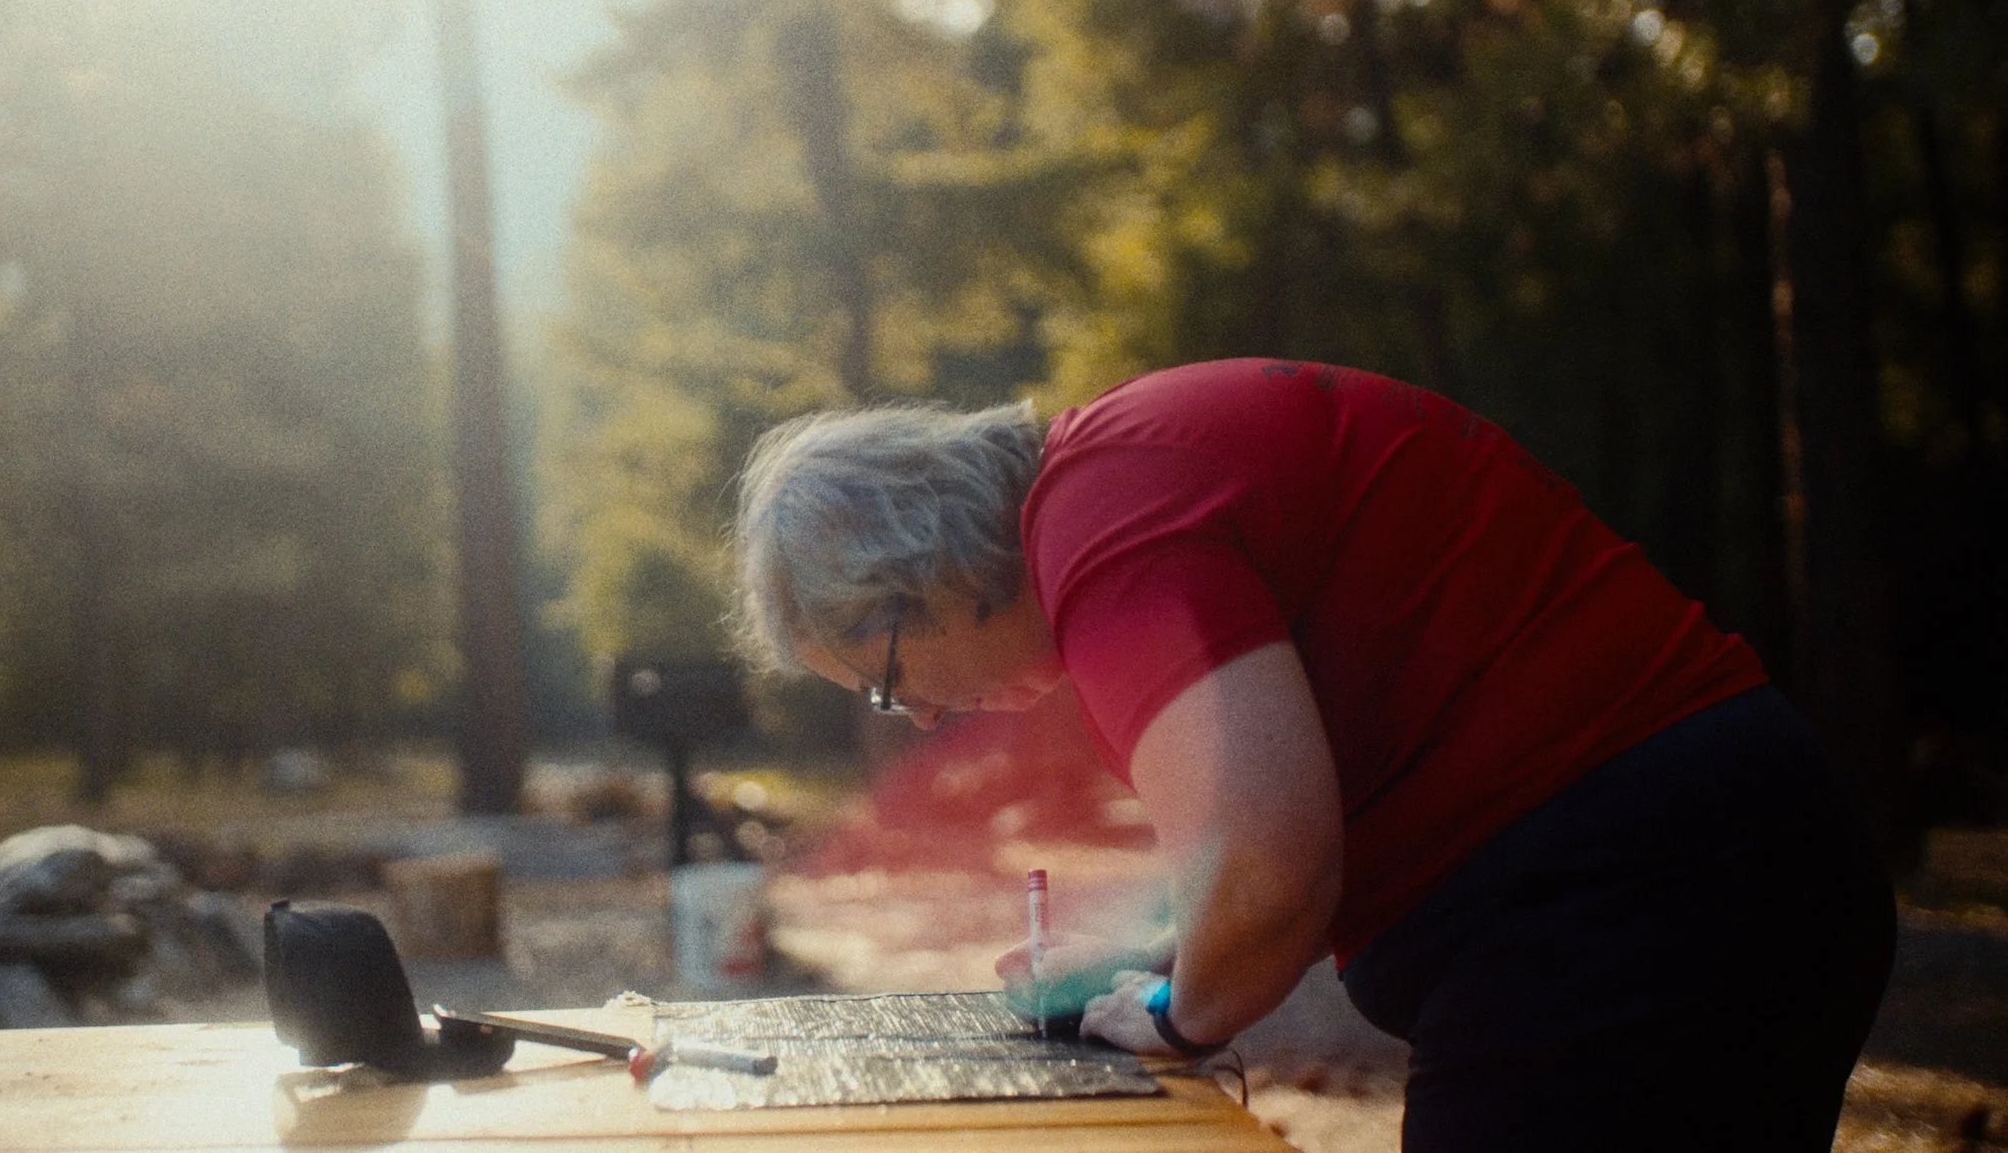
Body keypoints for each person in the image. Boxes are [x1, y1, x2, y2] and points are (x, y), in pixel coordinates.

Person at [731, 359, 1894, 1152]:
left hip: (1634, 897)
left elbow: (1273, 867)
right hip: (1694, 865)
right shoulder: (1123, 476)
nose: (919, 716)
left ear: (914, 573)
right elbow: (1263, 827)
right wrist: (1157, 955)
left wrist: (1181, 1014)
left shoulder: (1104, 519)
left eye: (885, 676)